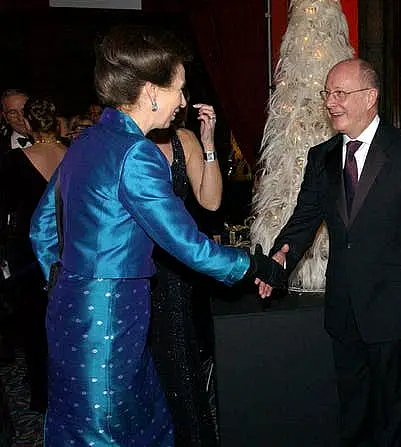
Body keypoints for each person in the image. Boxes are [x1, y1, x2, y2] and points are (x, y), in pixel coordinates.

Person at [29, 25, 285, 446]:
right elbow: (187, 244)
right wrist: (255, 265)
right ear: (150, 91)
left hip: (72, 311)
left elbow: (41, 228)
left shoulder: (88, 139)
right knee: (111, 431)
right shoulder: (136, 153)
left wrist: (65, 284)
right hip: (112, 316)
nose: (182, 102)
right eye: (178, 90)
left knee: (123, 422)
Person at [259, 58, 401, 447]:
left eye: (340, 93)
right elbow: (303, 220)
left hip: (394, 312)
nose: (331, 103)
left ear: (370, 98)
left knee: (391, 419)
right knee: (353, 415)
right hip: (344, 311)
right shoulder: (322, 157)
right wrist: (279, 258)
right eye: (327, 94)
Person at [147, 95, 223, 446]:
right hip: (130, 270)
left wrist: (208, 144)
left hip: (173, 272)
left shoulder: (184, 139)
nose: (180, 101)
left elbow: (210, 201)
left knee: (179, 370)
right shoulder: (124, 142)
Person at [0, 98, 66, 412]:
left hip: (29, 256)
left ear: (27, 123)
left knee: (35, 326)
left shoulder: (14, 161)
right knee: (67, 323)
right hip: (69, 251)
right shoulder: (74, 155)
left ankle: (44, 395)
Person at [0, 90, 32, 155]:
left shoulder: (53, 143)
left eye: (24, 110)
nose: (20, 118)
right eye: (12, 112)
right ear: (5, 117)